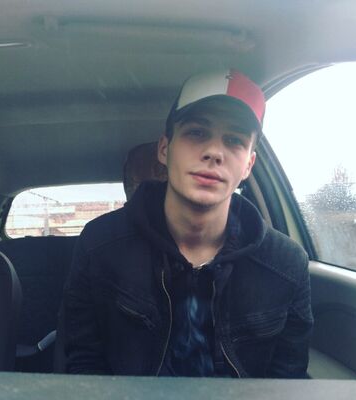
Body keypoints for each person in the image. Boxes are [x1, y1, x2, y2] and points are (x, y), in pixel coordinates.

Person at [59, 69, 313, 378]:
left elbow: (287, 383)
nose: (214, 152)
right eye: (197, 133)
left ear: (248, 165)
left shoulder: (286, 264)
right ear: (164, 149)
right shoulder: (100, 245)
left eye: (234, 140)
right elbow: (85, 366)